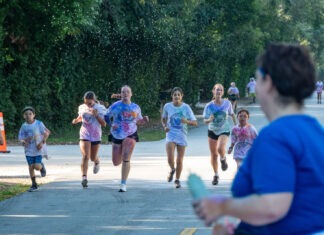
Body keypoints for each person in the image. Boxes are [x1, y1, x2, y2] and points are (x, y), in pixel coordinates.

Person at [193, 43, 324, 235]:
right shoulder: (316, 131)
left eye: (258, 80)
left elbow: (272, 207)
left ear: (268, 82)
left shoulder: (276, 136)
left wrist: (222, 206)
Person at [104, 85, 149, 192]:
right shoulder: (115, 106)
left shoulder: (136, 107)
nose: (125, 94)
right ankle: (123, 165)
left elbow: (139, 121)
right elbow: (106, 116)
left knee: (126, 157)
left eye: (127, 92)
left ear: (131, 94)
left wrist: (144, 120)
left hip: (131, 133)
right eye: (123, 92)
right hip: (117, 134)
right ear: (121, 94)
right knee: (116, 162)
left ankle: (123, 184)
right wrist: (111, 124)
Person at [161, 87, 198, 189]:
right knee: (170, 158)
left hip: (182, 135)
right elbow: (163, 118)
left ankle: (177, 180)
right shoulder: (167, 106)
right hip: (171, 134)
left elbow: (195, 122)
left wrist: (187, 121)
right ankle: (172, 169)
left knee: (179, 160)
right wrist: (164, 126)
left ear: (182, 96)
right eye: (174, 94)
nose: (176, 96)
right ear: (172, 96)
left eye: (178, 94)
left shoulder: (186, 107)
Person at [203, 84, 237, 186]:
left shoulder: (227, 103)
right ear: (213, 91)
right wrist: (210, 119)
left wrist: (237, 127)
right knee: (213, 154)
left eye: (220, 90)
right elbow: (205, 120)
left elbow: (232, 114)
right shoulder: (209, 106)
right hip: (212, 130)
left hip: (224, 130)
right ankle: (216, 175)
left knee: (220, 148)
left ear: (223, 92)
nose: (218, 92)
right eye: (217, 90)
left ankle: (223, 159)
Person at [72, 91, 106, 188]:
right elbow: (80, 117)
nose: (88, 105)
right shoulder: (82, 107)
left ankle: (97, 161)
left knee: (92, 157)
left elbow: (104, 124)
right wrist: (76, 120)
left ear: (94, 100)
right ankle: (84, 178)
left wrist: (96, 115)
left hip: (95, 135)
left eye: (90, 103)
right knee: (86, 156)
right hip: (84, 134)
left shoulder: (100, 108)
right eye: (86, 102)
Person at [18, 106, 50, 192]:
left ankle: (41, 166)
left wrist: (42, 142)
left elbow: (47, 133)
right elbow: (20, 137)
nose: (28, 115)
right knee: (30, 166)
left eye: (30, 114)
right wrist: (23, 142)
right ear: (23, 116)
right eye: (26, 114)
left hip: (38, 149)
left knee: (36, 166)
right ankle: (34, 184)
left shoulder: (39, 123)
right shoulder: (23, 126)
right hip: (28, 150)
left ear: (34, 115)